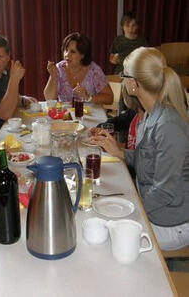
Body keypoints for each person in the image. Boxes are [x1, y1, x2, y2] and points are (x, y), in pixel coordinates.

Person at [91, 47, 189, 251]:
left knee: (103, 238)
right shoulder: (150, 114)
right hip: (156, 210)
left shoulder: (168, 126)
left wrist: (131, 209)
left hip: (171, 222)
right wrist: (119, 152)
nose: (122, 80)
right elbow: (150, 160)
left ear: (134, 84)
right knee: (98, 219)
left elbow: (163, 191)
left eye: (123, 75)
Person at [44, 32, 113, 105]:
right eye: (66, 50)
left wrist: (88, 97)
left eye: (72, 52)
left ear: (83, 55)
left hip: (90, 114)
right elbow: (49, 99)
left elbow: (109, 98)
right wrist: (53, 76)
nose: (67, 54)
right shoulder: (59, 68)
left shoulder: (93, 70)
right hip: (66, 114)